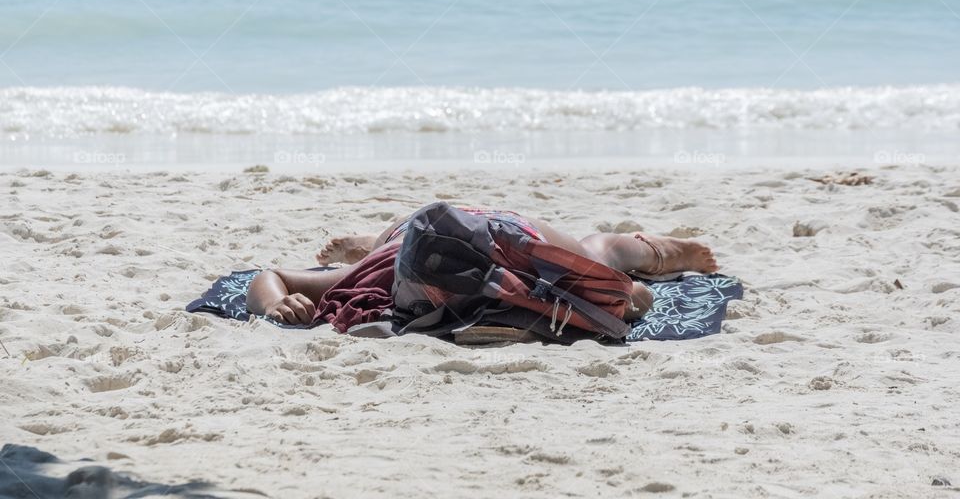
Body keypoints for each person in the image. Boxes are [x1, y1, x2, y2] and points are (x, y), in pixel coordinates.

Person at [247, 206, 718, 325]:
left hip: (510, 231)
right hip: (413, 233)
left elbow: (632, 294)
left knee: (603, 253)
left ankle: (662, 249)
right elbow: (270, 277)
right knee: (387, 244)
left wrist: (630, 298)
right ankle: (372, 240)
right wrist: (277, 302)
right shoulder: (387, 270)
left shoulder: (532, 267)